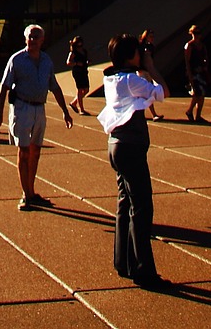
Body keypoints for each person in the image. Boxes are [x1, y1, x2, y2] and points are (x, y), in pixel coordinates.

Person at [98, 33, 168, 289]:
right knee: (141, 208)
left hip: (116, 145)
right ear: (130, 56)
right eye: (137, 52)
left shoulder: (114, 78)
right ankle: (144, 271)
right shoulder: (131, 80)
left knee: (124, 203)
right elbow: (163, 92)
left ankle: (123, 262)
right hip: (131, 147)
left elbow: (141, 98)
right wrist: (149, 67)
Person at [0, 23, 73, 210]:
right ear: (25, 38)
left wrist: (65, 111)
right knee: (24, 150)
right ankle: (25, 194)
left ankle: (31, 191)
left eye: (37, 36)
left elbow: (54, 86)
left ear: (43, 40)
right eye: (30, 36)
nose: (33, 39)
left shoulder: (46, 61)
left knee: (35, 150)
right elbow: (4, 86)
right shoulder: (17, 60)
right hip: (22, 108)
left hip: (39, 109)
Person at [184, 24, 210, 123]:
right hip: (193, 72)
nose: (197, 35)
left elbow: (206, 57)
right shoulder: (189, 45)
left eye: (198, 33)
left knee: (201, 94)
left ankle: (197, 115)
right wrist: (189, 74)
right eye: (195, 33)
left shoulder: (202, 46)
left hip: (201, 72)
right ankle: (190, 111)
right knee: (197, 93)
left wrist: (205, 66)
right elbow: (187, 61)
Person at [138, 28, 166, 121]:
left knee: (147, 93)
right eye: (150, 36)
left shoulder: (151, 47)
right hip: (142, 71)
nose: (152, 38)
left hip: (148, 72)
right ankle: (152, 114)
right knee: (143, 93)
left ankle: (151, 114)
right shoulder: (140, 46)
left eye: (153, 36)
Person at [66, 35, 90, 115]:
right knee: (80, 89)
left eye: (81, 44)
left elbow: (85, 59)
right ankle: (81, 109)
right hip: (77, 71)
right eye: (78, 45)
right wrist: (76, 63)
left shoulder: (84, 51)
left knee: (86, 89)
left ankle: (74, 102)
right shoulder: (73, 52)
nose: (80, 46)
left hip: (84, 71)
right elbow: (68, 62)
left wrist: (87, 62)